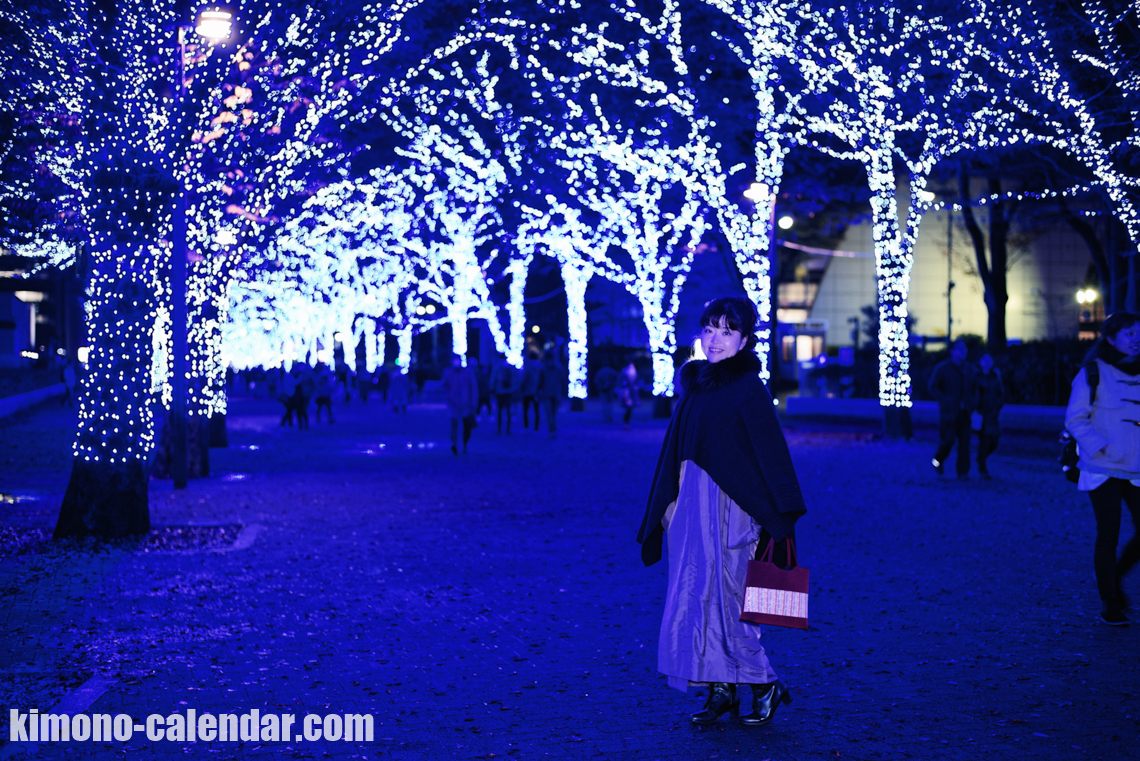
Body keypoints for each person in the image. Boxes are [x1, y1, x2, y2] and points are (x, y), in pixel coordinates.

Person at [638, 296, 806, 726]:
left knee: (733, 600)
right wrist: (668, 508)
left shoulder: (749, 389)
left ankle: (764, 682)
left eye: (727, 331)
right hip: (692, 512)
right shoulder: (695, 386)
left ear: (745, 340)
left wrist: (776, 515)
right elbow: (675, 452)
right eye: (710, 330)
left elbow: (769, 455)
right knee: (696, 599)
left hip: (735, 513)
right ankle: (721, 689)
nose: (715, 340)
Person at [1065, 312, 1140, 627]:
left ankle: (1117, 578)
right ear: (1111, 338)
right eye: (1129, 333)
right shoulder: (1093, 372)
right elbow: (1075, 418)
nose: (1136, 338)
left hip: (1137, 468)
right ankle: (1110, 603)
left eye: (1139, 333)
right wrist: (1101, 446)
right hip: (1102, 466)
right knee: (1108, 535)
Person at [928, 340, 975, 478]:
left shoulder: (969, 369)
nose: (964, 351)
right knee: (947, 441)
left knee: (965, 443)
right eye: (960, 348)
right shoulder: (942, 368)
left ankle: (963, 472)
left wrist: (972, 403)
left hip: (965, 412)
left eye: (964, 348)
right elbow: (932, 387)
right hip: (949, 413)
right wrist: (945, 400)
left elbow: (974, 388)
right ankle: (938, 460)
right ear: (952, 351)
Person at [974, 352, 1004, 479]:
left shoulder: (995, 375)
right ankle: (982, 467)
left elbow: (1000, 392)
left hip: (993, 413)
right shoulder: (976, 376)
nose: (986, 362)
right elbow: (974, 394)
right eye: (984, 359)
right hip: (982, 413)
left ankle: (980, 459)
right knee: (984, 440)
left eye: (989, 359)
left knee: (994, 440)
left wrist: (998, 405)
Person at [442, 354, 479, 454]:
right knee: (454, 425)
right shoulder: (448, 372)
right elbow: (444, 386)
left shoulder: (468, 372)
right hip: (454, 404)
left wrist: (473, 403)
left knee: (466, 426)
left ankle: (465, 444)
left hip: (466, 404)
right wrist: (449, 397)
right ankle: (454, 444)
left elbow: (473, 388)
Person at [538, 352, 566, 439]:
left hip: (546, 393)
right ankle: (554, 430)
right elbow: (563, 379)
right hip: (556, 393)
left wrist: (538, 391)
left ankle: (551, 431)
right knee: (554, 414)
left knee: (549, 414)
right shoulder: (559, 367)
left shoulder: (543, 368)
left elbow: (540, 381)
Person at [491, 356, 519, 434]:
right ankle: (508, 429)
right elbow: (516, 378)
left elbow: (493, 379)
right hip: (509, 391)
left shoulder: (497, 367)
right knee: (508, 411)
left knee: (499, 411)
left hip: (499, 392)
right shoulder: (511, 367)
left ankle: (499, 429)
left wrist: (492, 388)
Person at [520, 352, 543, 431]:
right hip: (537, 392)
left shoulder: (527, 366)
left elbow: (524, 378)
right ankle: (536, 428)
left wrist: (523, 387)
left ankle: (526, 427)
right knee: (537, 410)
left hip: (527, 392)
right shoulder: (541, 366)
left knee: (526, 410)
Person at [617, 362, 640, 429]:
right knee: (627, 408)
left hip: (632, 394)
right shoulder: (624, 374)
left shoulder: (634, 373)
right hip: (626, 394)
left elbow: (637, 382)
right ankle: (625, 422)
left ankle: (626, 422)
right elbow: (621, 383)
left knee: (629, 409)